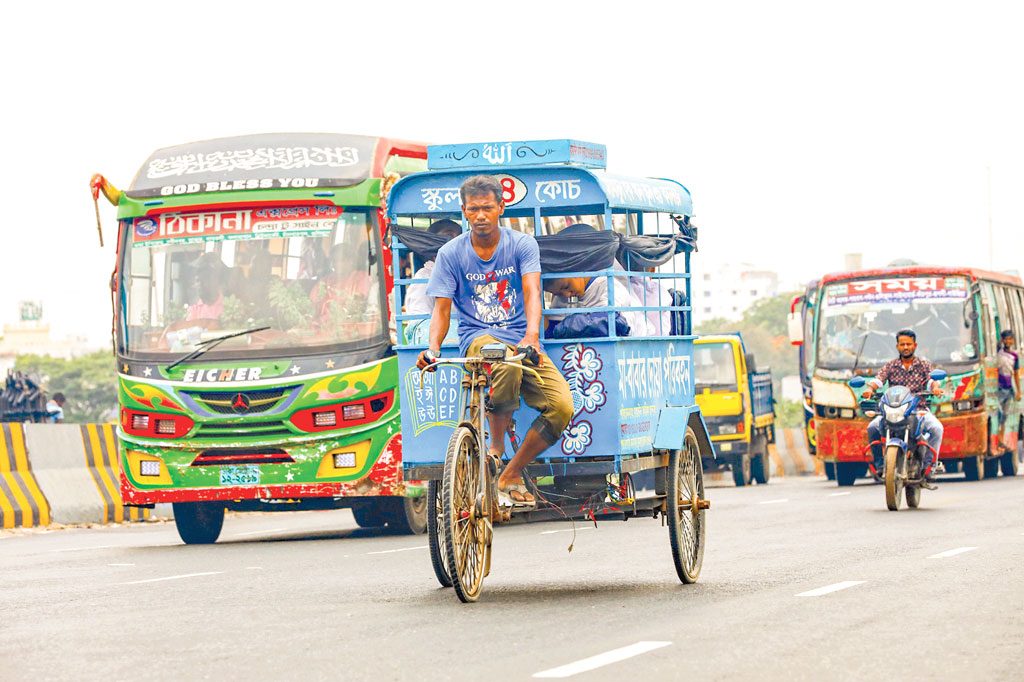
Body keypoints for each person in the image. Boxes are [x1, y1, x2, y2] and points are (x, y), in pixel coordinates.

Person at [418, 175, 574, 506]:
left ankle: (511, 472)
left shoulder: (521, 244)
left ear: (501, 207)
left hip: (523, 341)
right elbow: (441, 310)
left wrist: (532, 336)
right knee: (500, 356)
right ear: (464, 211)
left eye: (487, 208)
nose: (481, 216)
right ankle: (496, 448)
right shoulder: (450, 254)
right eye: (473, 210)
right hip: (478, 339)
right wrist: (432, 349)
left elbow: (532, 292)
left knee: (561, 407)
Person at [861, 329, 944, 480]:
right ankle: (880, 466)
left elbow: (933, 381)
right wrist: (869, 389)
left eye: (908, 344)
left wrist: (936, 389)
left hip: (917, 412)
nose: (905, 347)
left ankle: (929, 467)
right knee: (872, 428)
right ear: (897, 346)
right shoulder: (891, 366)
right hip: (893, 411)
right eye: (902, 344)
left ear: (915, 346)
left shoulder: (924, 366)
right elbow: (878, 379)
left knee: (937, 429)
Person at [543, 267, 649, 337]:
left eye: (566, 286)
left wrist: (567, 325)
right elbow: (552, 330)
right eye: (558, 294)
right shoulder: (562, 298)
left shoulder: (608, 286)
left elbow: (612, 322)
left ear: (575, 271)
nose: (566, 295)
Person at [996, 329, 1021, 454]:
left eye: (1010, 339)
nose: (1008, 341)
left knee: (1004, 416)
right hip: (998, 389)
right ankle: (998, 439)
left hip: (1008, 389)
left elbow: (1016, 374)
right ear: (1002, 340)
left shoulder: (1014, 356)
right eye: (1006, 339)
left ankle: (1001, 439)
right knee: (998, 414)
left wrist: (1018, 392)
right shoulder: (998, 353)